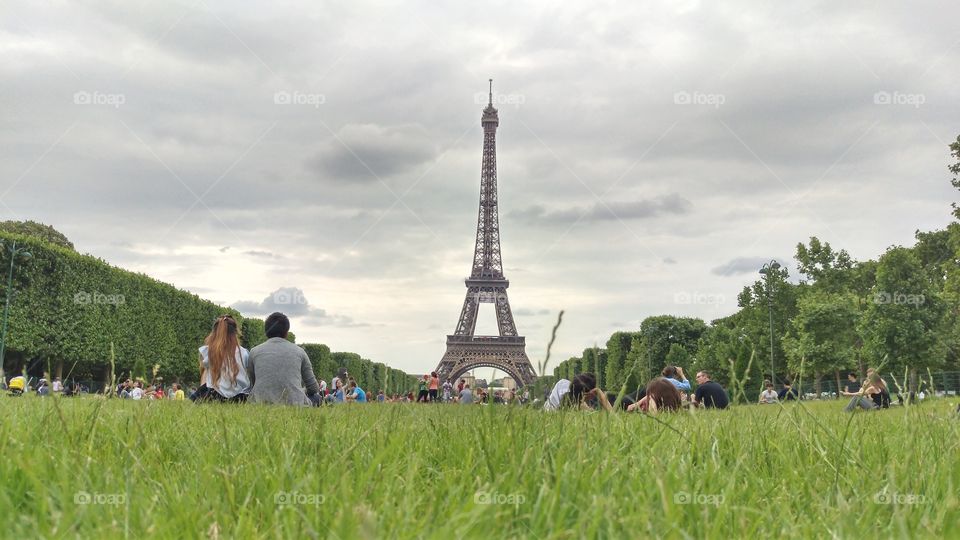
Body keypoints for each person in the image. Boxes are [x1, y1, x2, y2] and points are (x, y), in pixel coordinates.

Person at [247, 312, 321, 406]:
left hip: (260, 402)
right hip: (294, 403)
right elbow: (314, 388)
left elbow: (252, 382)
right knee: (317, 398)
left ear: (266, 332)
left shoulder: (254, 352)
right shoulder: (300, 352)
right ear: (286, 333)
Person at [193, 314, 251, 403]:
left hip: (215, 396)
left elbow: (204, 373)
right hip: (241, 397)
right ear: (235, 332)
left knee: (206, 370)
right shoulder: (244, 353)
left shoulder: (208, 351)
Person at [544, 372, 614, 411]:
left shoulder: (564, 384)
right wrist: (599, 392)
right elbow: (611, 413)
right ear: (588, 394)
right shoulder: (571, 401)